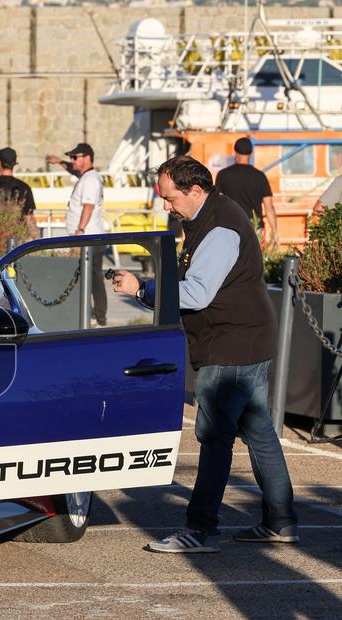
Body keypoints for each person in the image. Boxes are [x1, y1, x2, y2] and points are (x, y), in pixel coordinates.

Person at [111, 155, 297, 554]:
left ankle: (200, 529)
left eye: (170, 198)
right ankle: (280, 522)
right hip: (245, 338)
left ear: (195, 190)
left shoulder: (219, 227)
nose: (166, 206)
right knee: (259, 432)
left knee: (215, 437)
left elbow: (196, 293)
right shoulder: (209, 217)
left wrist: (143, 289)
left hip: (231, 344)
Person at [46, 142, 107, 326]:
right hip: (87, 237)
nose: (72, 161)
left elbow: (88, 206)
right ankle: (91, 313)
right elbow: (73, 170)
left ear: (87, 158)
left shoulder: (90, 180)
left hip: (89, 238)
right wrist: (60, 162)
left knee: (92, 278)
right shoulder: (86, 176)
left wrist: (80, 230)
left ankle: (98, 316)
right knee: (89, 277)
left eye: (75, 157)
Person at [215, 137, 279, 245]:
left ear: (235, 153)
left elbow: (218, 203)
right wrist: (275, 232)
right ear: (251, 154)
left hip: (230, 228)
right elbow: (269, 207)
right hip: (254, 228)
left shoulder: (223, 175)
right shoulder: (260, 176)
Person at [0, 147, 37, 236]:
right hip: (17, 237)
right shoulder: (24, 188)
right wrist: (36, 240)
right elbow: (29, 218)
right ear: (14, 164)